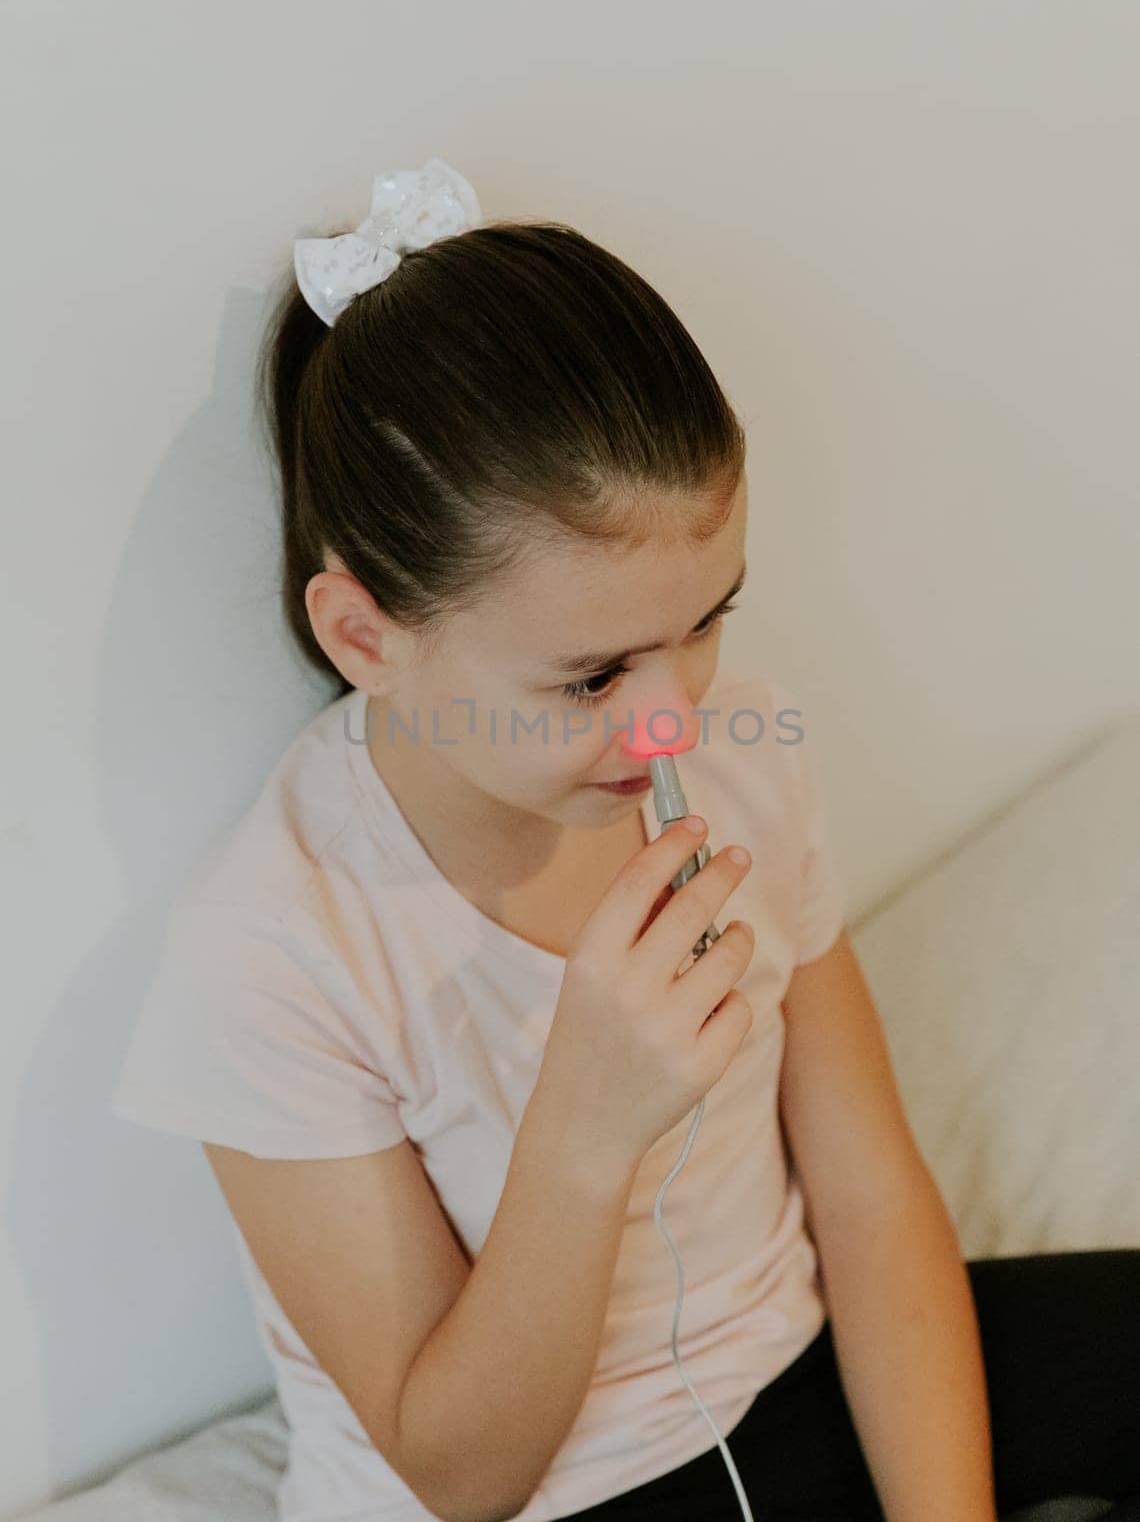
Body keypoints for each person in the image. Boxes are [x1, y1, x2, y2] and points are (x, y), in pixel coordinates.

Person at [110, 159, 1139, 1522]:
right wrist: (586, 1131)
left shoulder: (740, 757)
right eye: (594, 679)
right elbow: (457, 1472)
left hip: (804, 1371)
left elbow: (871, 1195)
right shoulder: (275, 951)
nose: (671, 723)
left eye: (708, 620)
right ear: (366, 637)